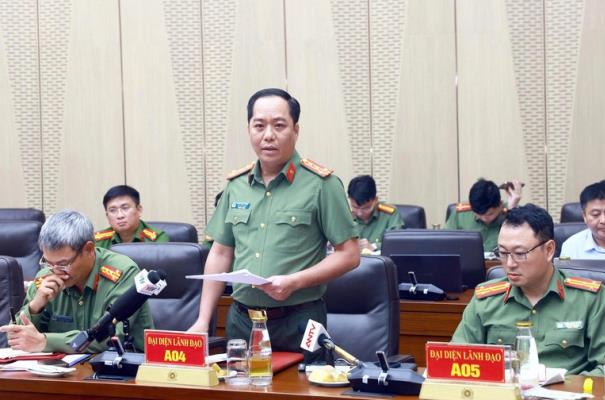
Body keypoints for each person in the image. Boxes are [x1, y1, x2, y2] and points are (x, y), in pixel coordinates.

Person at [188, 88, 359, 357]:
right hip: (242, 321)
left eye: (279, 125)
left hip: (299, 320)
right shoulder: (236, 186)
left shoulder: (321, 184)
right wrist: (202, 319)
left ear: (295, 130)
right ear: (249, 130)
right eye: (259, 125)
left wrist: (294, 281)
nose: (268, 135)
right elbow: (220, 253)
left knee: (304, 383)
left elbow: (349, 255)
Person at [452, 204, 605, 375]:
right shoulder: (486, 300)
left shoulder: (590, 299)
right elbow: (457, 360)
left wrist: (563, 386)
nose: (510, 263)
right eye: (503, 252)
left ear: (549, 250)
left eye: (520, 253)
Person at [0, 210, 154, 353]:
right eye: (48, 263)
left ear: (89, 249)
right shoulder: (46, 278)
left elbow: (111, 337)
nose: (55, 271)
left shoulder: (122, 273)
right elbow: (15, 339)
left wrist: (45, 342)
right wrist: (35, 307)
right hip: (61, 370)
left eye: (63, 264)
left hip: (120, 368)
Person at [561, 179, 605, 295]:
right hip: (586, 305)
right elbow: (566, 289)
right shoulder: (571, 246)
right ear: (584, 216)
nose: (603, 220)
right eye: (595, 214)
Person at [445, 178, 523, 252]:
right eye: (479, 214)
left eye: (490, 214)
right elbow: (446, 243)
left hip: (501, 261)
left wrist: (511, 210)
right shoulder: (460, 213)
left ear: (500, 205)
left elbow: (520, 244)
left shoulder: (511, 211)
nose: (484, 218)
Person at [94, 185, 169, 248]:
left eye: (125, 208)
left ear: (139, 210)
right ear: (107, 216)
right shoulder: (97, 241)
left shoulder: (156, 239)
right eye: (113, 210)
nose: (120, 215)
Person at [347, 175, 404, 252]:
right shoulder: (345, 216)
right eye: (355, 207)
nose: (359, 213)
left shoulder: (390, 214)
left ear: (375, 200)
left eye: (366, 208)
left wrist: (374, 246)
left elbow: (397, 243)